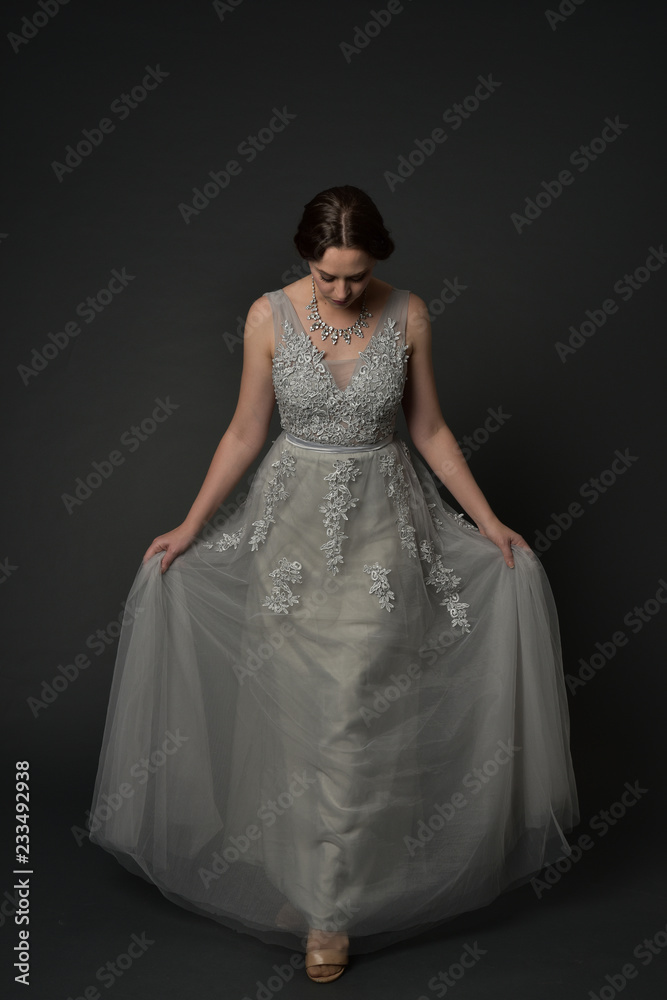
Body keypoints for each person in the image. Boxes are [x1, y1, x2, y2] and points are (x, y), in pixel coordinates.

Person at [89, 185, 578, 984]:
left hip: (385, 533)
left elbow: (427, 429)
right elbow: (247, 429)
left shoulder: (410, 313)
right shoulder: (265, 317)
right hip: (288, 537)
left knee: (357, 707)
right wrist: (189, 524)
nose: (344, 291)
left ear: (376, 259)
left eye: (356, 275)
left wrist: (487, 522)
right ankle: (316, 880)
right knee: (300, 712)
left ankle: (330, 909)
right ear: (305, 259)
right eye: (327, 277)